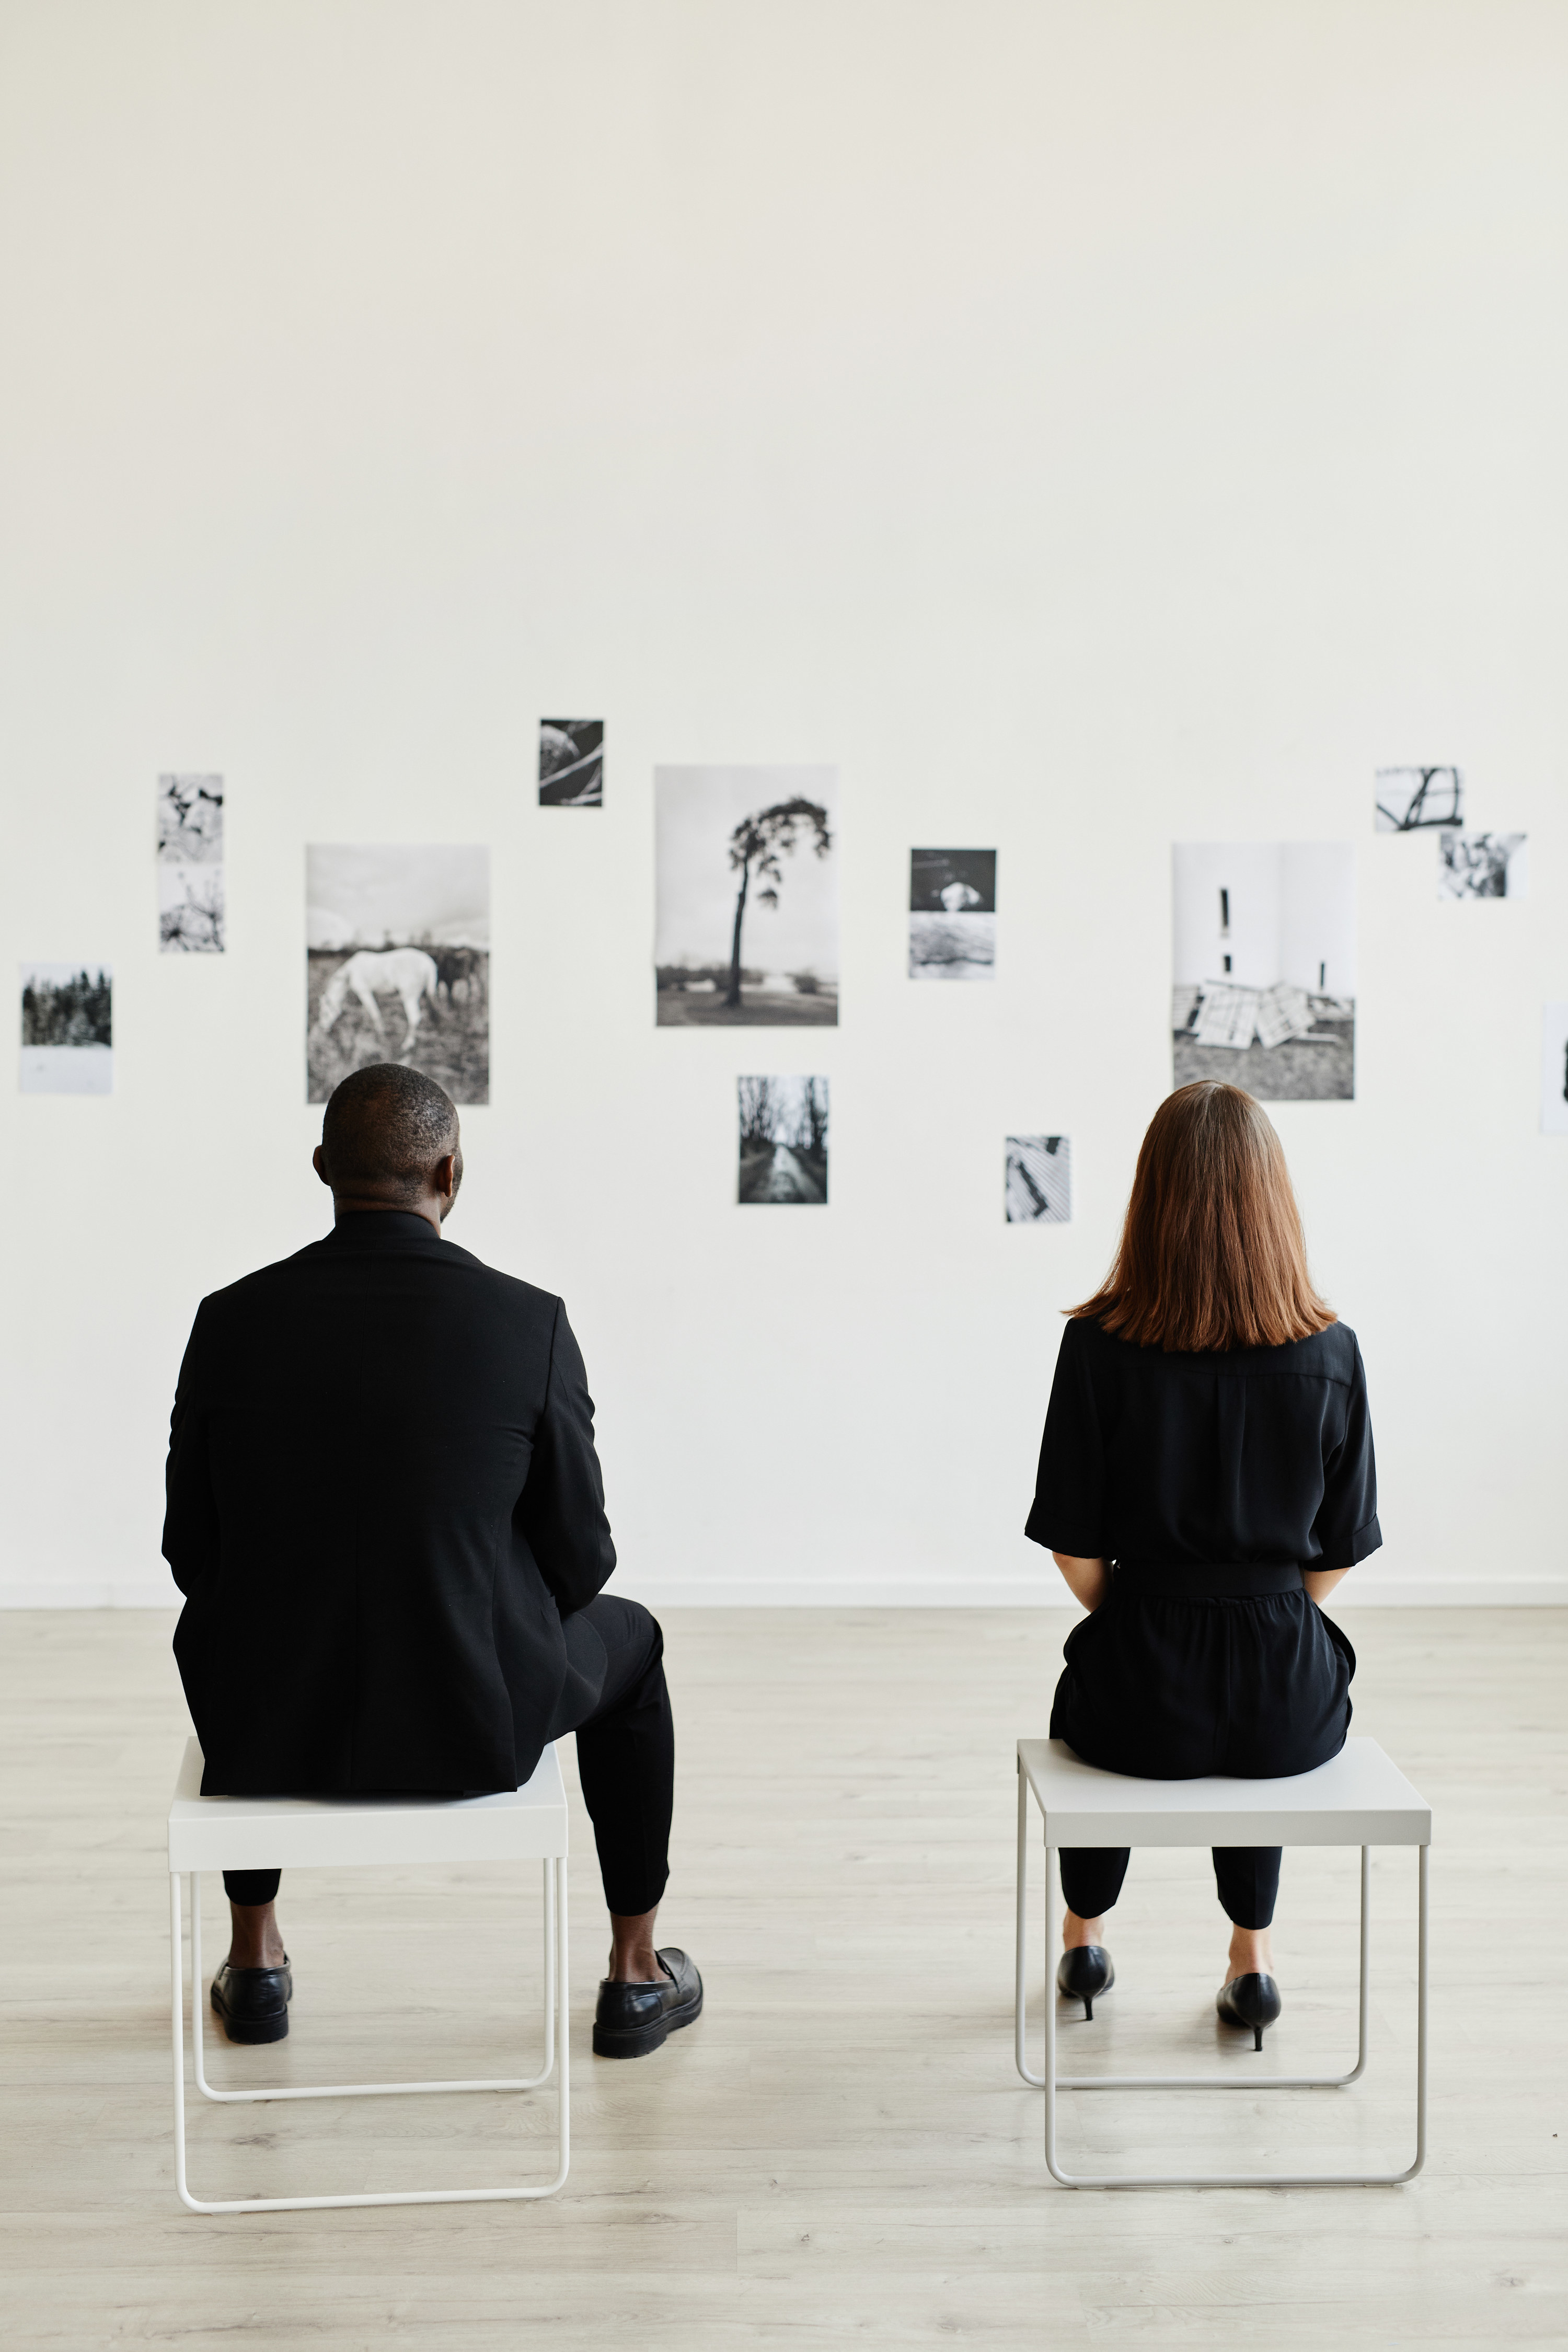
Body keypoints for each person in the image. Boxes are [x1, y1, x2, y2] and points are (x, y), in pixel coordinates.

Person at [163, 1062, 701, 2062]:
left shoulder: (227, 1321)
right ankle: (635, 1977)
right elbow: (582, 1561)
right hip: (474, 1724)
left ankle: (254, 1961)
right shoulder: (527, 1323)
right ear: (451, 1170)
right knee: (637, 1642)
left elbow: (191, 1552)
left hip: (269, 1720)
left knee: (230, 1625)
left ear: (323, 1168)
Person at [1025, 1080, 1378, 2049]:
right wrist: (1264, 1606)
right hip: (1287, 1699)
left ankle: (1086, 1935)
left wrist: (1135, 1613)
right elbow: (1338, 1553)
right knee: (1262, 1703)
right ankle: (1251, 1955)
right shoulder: (1332, 1352)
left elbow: (1072, 1545)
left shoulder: (1096, 1349)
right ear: (1273, 1201)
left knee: (1093, 1693)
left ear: (1153, 1199)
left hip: (1142, 1679)